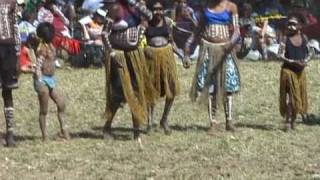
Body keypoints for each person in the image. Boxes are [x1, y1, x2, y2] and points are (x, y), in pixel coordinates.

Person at [183, 0, 241, 133]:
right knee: (209, 86)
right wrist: (187, 49)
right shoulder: (205, 8)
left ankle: (229, 120)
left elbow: (237, 31)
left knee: (228, 85)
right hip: (208, 50)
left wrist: (230, 43)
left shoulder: (231, 7)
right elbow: (197, 30)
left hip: (225, 50)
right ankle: (212, 122)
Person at [101, 0, 153, 143]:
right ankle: (107, 126)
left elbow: (149, 16)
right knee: (118, 94)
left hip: (134, 55)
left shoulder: (136, 8)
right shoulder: (115, 8)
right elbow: (104, 34)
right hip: (119, 56)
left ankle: (136, 131)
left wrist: (134, 4)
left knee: (137, 91)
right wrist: (112, 54)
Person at [144, 0, 180, 134]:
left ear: (163, 10)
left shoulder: (168, 23)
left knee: (171, 90)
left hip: (166, 57)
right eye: (155, 9)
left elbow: (172, 41)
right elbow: (139, 40)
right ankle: (149, 122)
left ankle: (164, 119)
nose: (157, 12)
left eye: (160, 9)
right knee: (151, 92)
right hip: (151, 59)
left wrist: (183, 56)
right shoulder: (146, 23)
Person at [34, 22, 70, 141]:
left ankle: (64, 131)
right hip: (42, 79)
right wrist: (39, 81)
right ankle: (45, 136)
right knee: (44, 109)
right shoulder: (42, 49)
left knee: (61, 104)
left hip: (50, 79)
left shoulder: (51, 46)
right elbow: (38, 66)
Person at [277, 13, 313, 131]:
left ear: (300, 26)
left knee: (298, 98)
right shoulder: (285, 38)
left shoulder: (304, 38)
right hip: (288, 71)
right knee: (291, 98)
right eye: (289, 24)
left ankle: (293, 121)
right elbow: (280, 55)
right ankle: (288, 121)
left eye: (293, 24)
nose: (290, 26)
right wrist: (292, 62)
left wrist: (305, 61)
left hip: (300, 72)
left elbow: (311, 52)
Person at [0, 0, 21, 147]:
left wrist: (18, 53)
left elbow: (15, 26)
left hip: (9, 49)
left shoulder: (12, 2)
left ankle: (10, 133)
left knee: (8, 91)